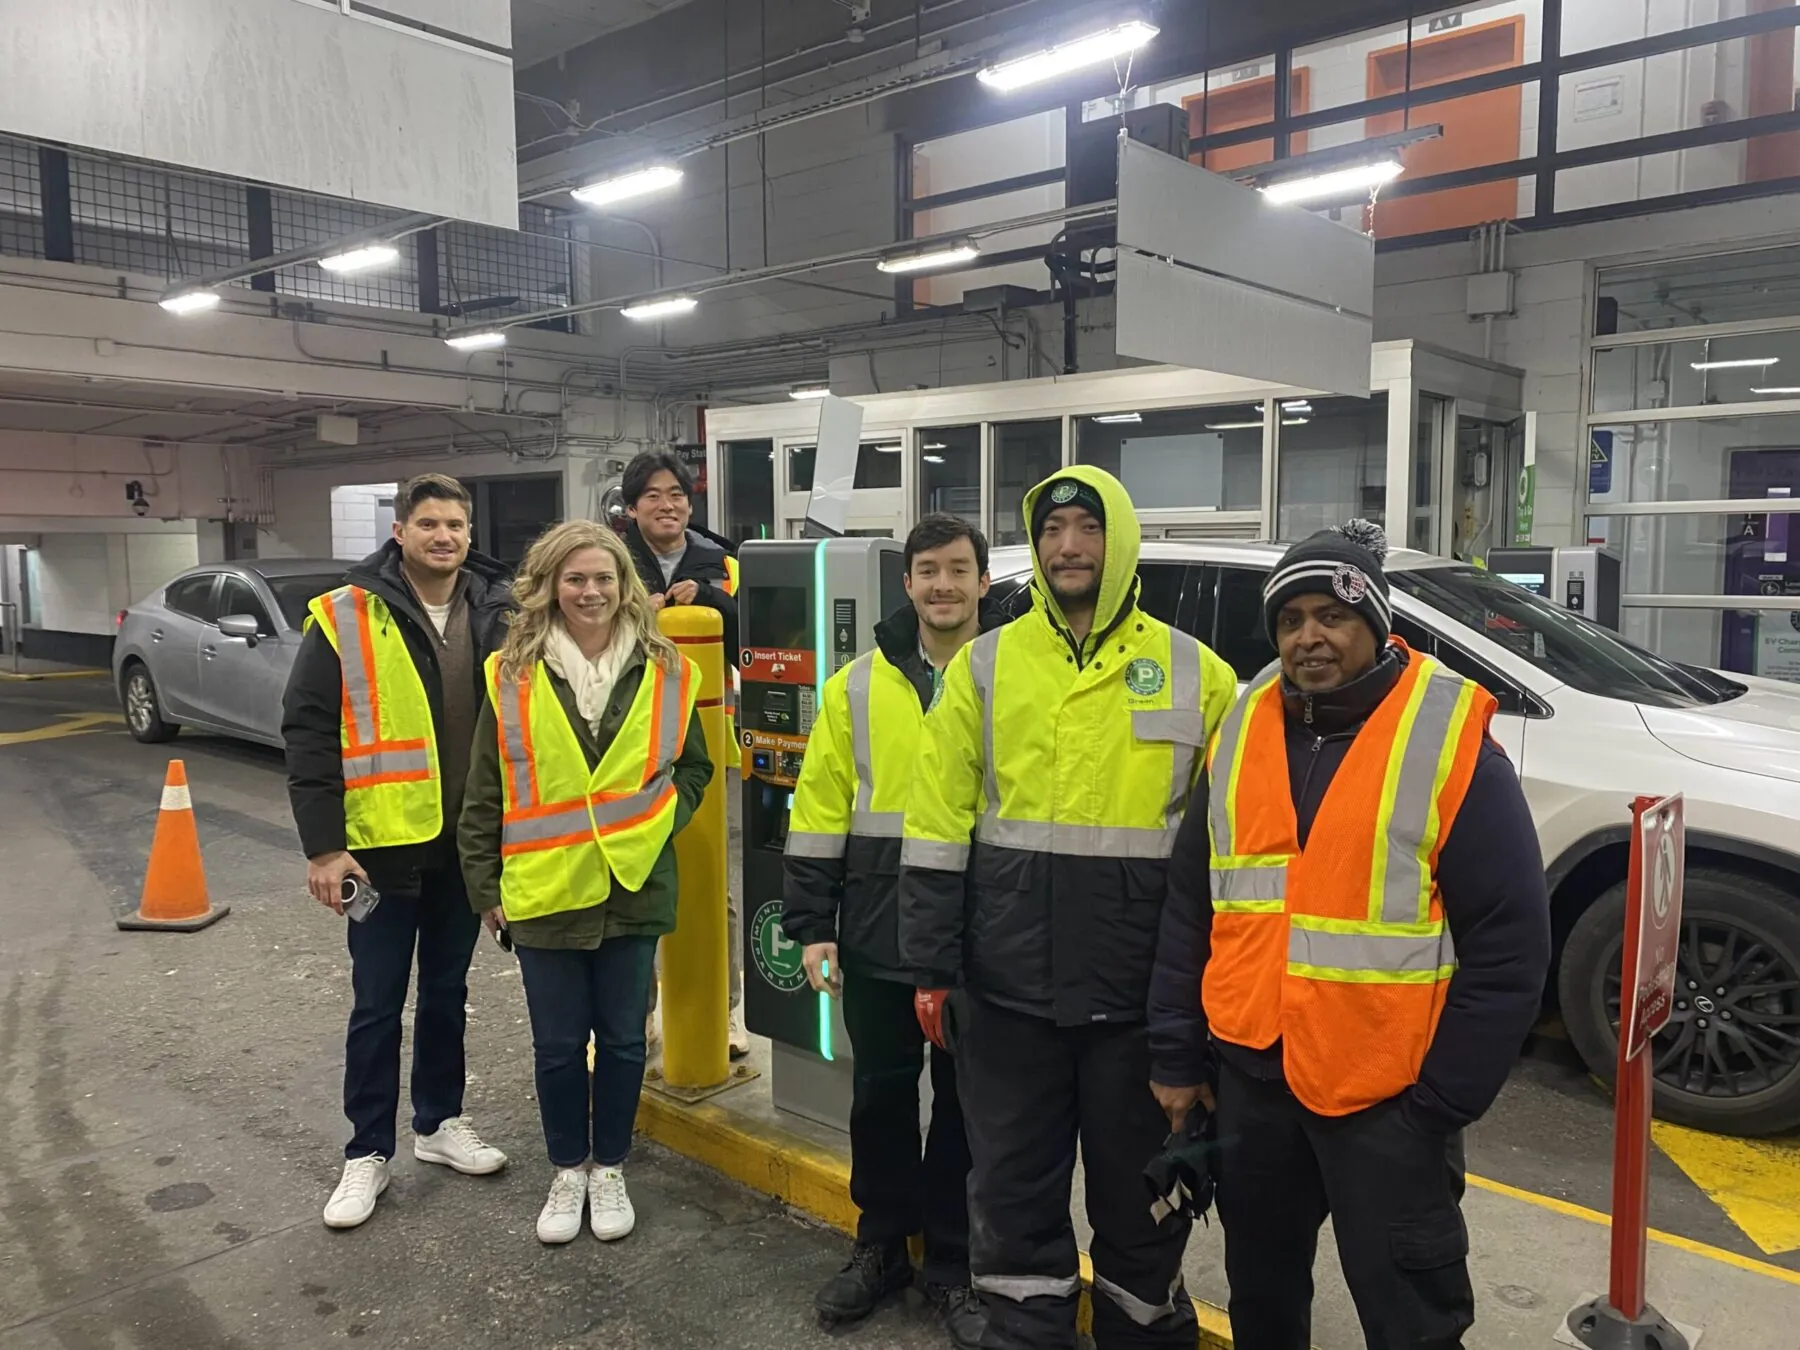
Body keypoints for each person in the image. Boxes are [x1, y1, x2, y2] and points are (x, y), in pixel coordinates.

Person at [1146, 521, 1552, 1350]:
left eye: (1332, 616)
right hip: (1253, 1084)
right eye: (1291, 620)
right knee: (1262, 1301)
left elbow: (1510, 947)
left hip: (1386, 1100)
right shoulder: (1242, 734)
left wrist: (1441, 1104)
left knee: (1412, 1319)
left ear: (1375, 624)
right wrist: (1178, 1057)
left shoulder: (1447, 743)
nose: (1310, 637)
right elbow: (1193, 908)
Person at [899, 467, 1239, 1350]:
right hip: (1007, 997)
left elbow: (1232, 856)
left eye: (1088, 527)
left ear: (1119, 540)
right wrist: (933, 969)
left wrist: (1210, 1004)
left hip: (1141, 1006)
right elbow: (936, 823)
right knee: (1012, 1203)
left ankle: (1142, 1333)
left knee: (1144, 1205)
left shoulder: (1200, 675)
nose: (1069, 546)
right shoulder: (985, 665)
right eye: (1052, 531)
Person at [459, 519, 712, 1245]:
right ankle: (568, 1169)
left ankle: (611, 1168)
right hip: (545, 888)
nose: (591, 591)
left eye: (604, 577)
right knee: (559, 1045)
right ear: (549, 587)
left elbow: (693, 766)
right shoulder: (511, 673)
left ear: (625, 585)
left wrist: (659, 819)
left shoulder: (668, 670)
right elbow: (486, 787)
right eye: (575, 578)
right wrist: (484, 887)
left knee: (625, 1042)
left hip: (634, 883)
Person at [782, 514, 1001, 1347]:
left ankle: (952, 1263)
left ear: (984, 582)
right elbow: (819, 807)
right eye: (928, 571)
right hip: (876, 924)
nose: (943, 585)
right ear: (905, 583)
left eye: (958, 569)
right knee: (878, 1095)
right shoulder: (855, 686)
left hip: (978, 929)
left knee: (965, 1106)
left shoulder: (1010, 676)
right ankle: (881, 1246)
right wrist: (813, 925)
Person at [282, 473, 513, 1230]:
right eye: (429, 524)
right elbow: (308, 731)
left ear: (469, 535)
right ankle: (367, 1151)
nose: (444, 537)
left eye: (456, 525)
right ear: (400, 532)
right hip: (379, 851)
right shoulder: (347, 614)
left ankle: (439, 1123)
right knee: (377, 1003)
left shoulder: (497, 609)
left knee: (447, 992)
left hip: (464, 846)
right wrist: (324, 848)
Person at [617, 448, 748, 1060]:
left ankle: (722, 1012)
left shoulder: (723, 562)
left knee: (710, 875)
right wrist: (637, 611)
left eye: (676, 495)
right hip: (628, 742)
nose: (666, 505)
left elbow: (755, 638)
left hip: (706, 740)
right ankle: (639, 1014)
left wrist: (714, 601)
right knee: (635, 875)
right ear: (631, 508)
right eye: (652, 496)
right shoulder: (610, 563)